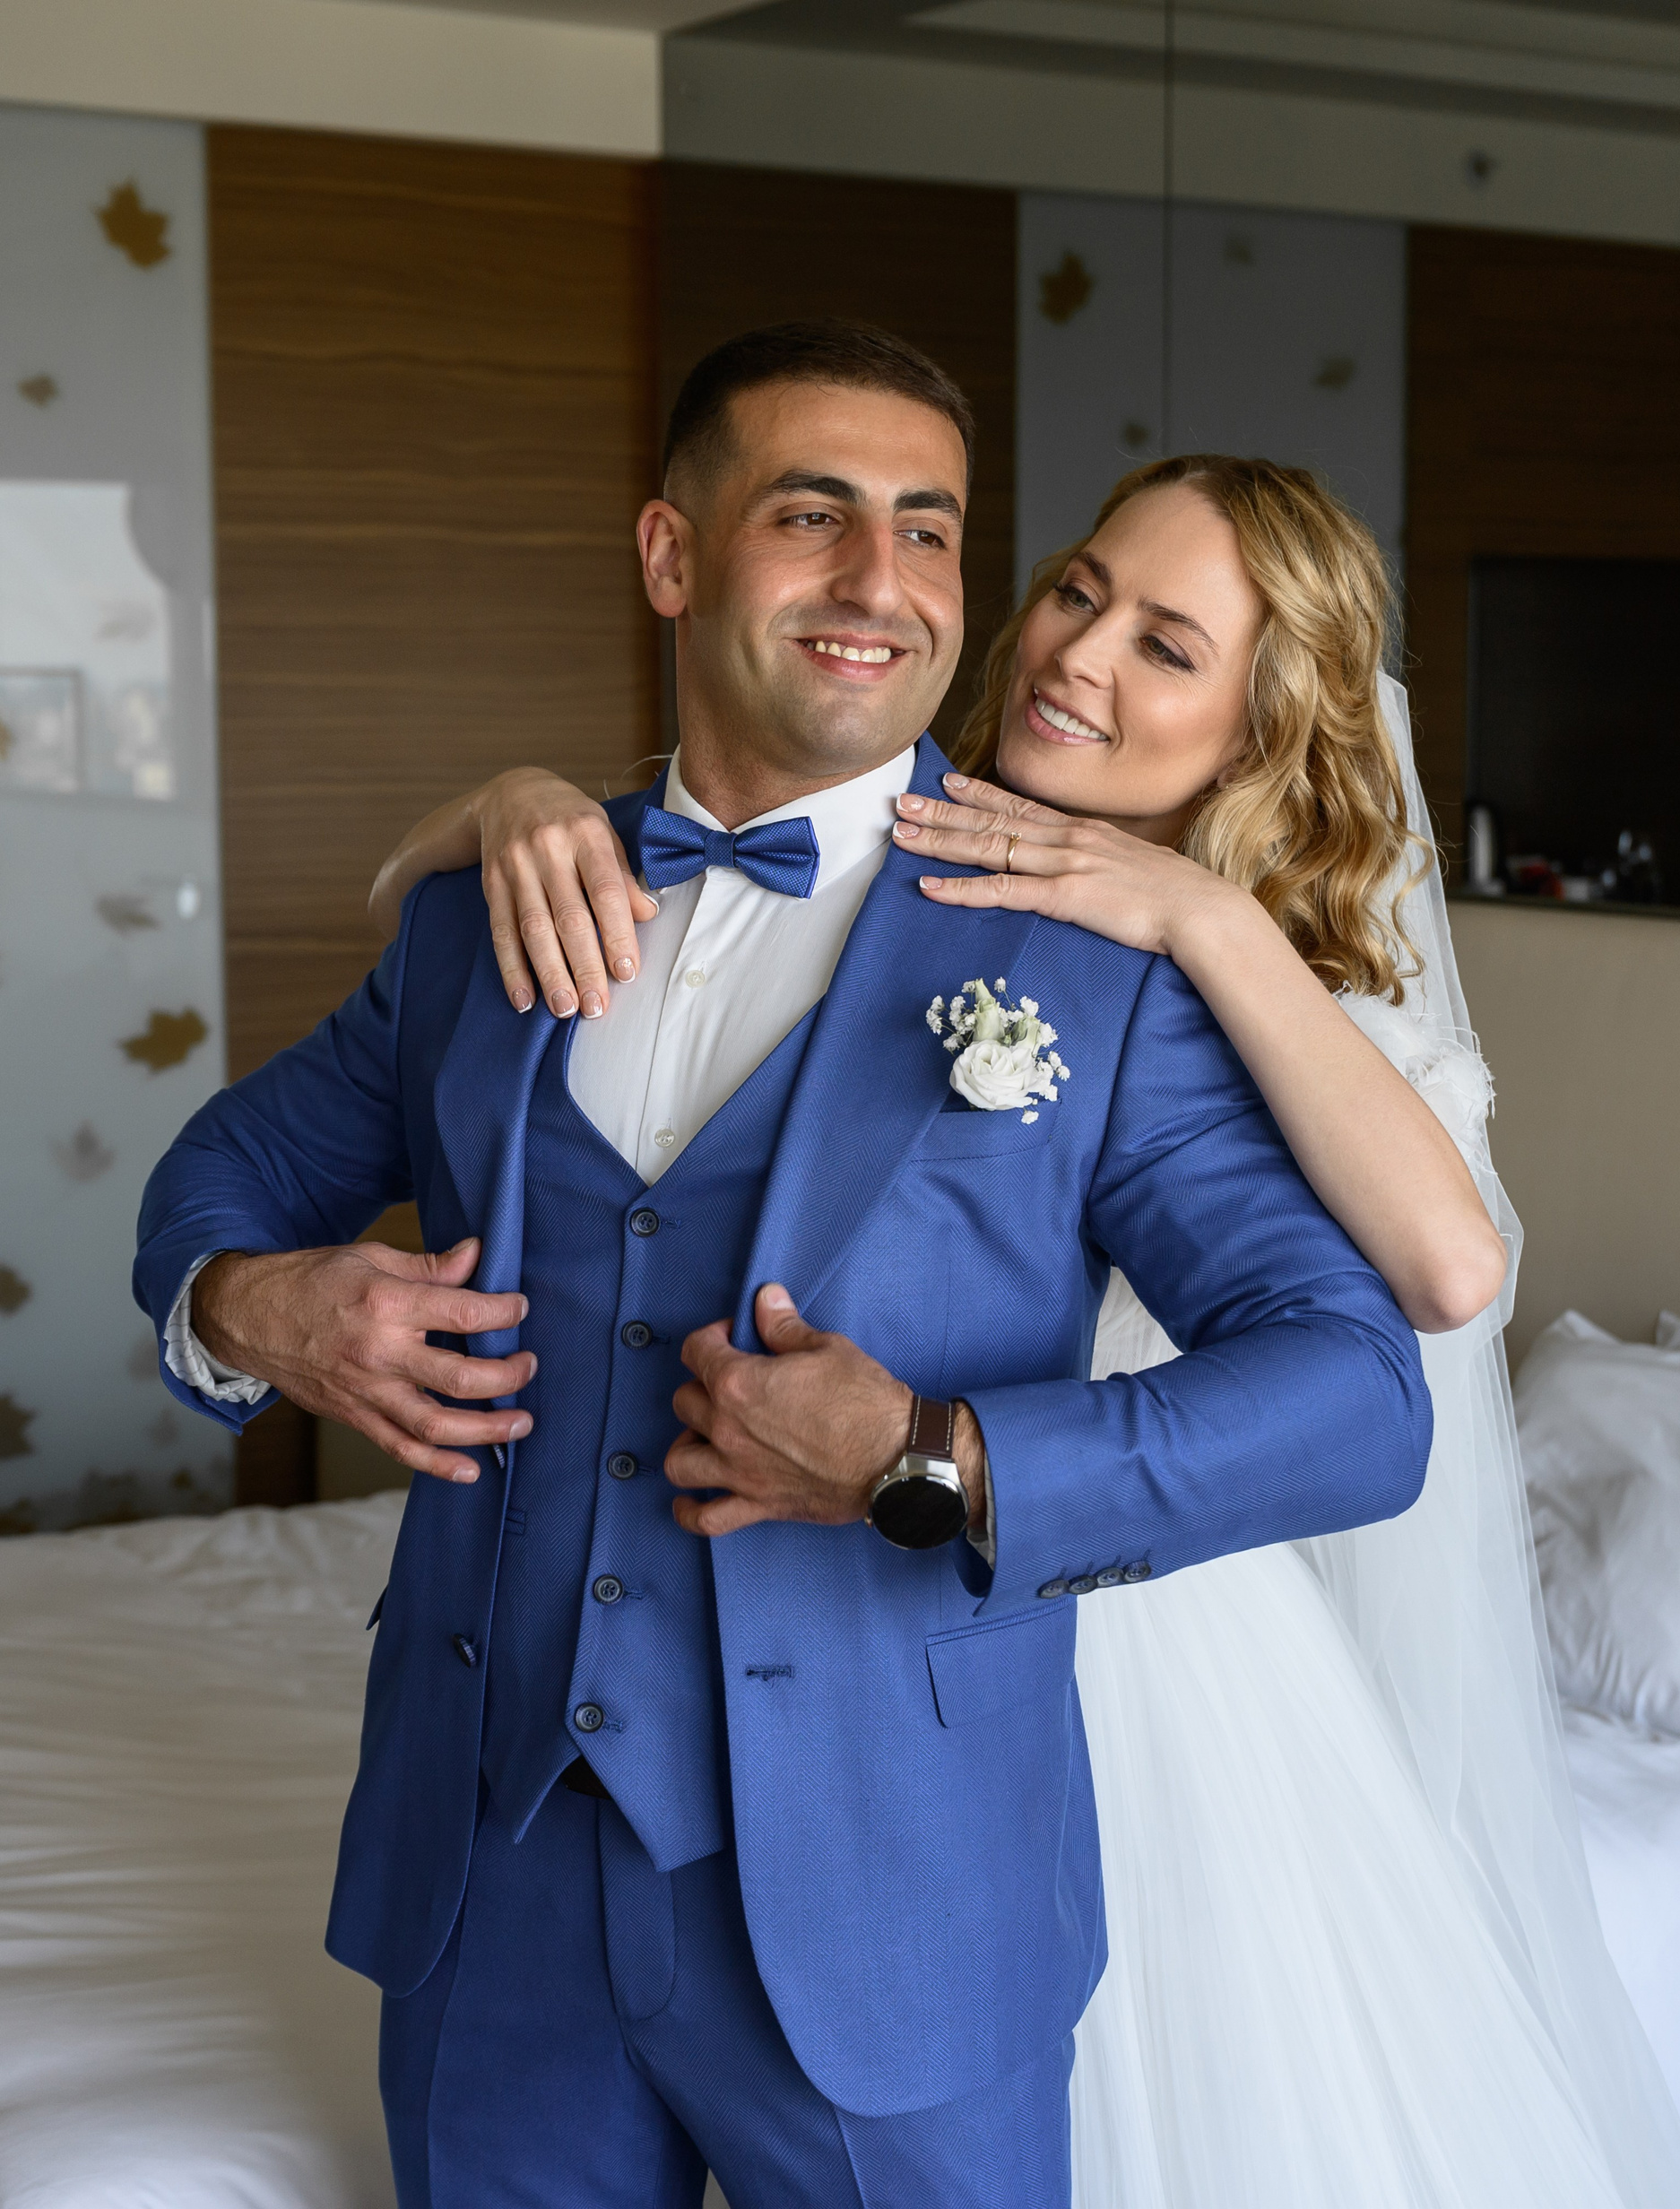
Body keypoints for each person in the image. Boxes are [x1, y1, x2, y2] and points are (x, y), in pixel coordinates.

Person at [134, 322, 1434, 2209]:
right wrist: (255, 1307)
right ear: (672, 555)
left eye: (931, 530)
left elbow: (1360, 1392)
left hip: (896, 1909)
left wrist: (937, 1455)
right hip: (490, 1883)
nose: (880, 581)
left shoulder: (1106, 971)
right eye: (811, 516)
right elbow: (226, 1175)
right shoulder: (485, 913)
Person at [375, 447, 1680, 2208]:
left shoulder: (1250, 978)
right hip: (763, 1621)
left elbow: (1451, 1279)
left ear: (1259, 724)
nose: (1080, 652)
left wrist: (1195, 912)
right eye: (1083, 589)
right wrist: (520, 798)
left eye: (1168, 643)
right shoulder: (904, 855)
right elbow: (518, 891)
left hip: (1118, 1597)